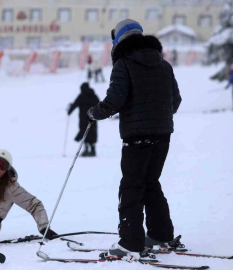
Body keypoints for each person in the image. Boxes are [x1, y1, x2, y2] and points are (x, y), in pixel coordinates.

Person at [87, 19, 182, 260]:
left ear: (118, 40)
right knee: (151, 182)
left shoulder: (124, 64)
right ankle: (161, 234)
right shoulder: (164, 65)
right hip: (163, 135)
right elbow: (176, 101)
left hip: (137, 137)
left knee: (131, 187)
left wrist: (94, 112)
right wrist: (158, 117)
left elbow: (114, 101)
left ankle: (130, 243)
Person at [68, 82, 100, 157]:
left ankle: (86, 150)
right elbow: (99, 105)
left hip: (83, 119)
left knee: (84, 133)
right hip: (92, 118)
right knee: (92, 133)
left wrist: (69, 111)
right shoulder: (93, 95)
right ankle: (93, 150)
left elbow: (75, 104)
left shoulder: (81, 96)